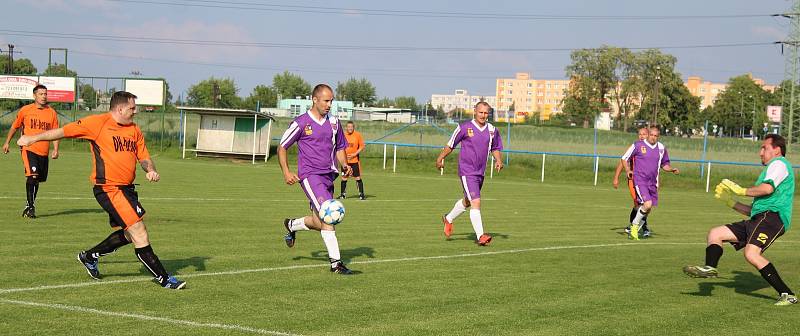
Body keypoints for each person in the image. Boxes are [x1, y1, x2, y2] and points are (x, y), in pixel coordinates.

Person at [17, 91, 186, 289]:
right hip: (109, 188)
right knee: (140, 232)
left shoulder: (134, 130)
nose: (136, 111)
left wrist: (151, 170)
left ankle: (89, 256)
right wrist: (31, 139)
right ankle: (164, 279)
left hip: (128, 190)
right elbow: (63, 131)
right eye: (132, 108)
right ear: (120, 108)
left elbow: (144, 157)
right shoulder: (97, 123)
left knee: (130, 234)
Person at [684, 134, 797, 306]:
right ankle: (710, 267)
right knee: (716, 233)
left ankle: (787, 294)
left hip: (773, 217)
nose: (760, 152)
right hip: (761, 217)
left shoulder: (779, 164)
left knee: (751, 254)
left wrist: (741, 190)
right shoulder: (773, 168)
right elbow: (753, 211)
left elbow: (766, 189)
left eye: (764, 148)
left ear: (777, 150)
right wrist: (730, 202)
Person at [278, 84, 354, 275]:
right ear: (315, 99)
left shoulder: (335, 123)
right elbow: (282, 147)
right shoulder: (301, 122)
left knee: (318, 221)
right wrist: (286, 172)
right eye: (326, 100)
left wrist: (345, 165)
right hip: (310, 176)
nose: (329, 105)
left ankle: (292, 224)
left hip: (329, 175)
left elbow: (340, 147)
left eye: (331, 101)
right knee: (328, 216)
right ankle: (336, 264)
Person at [437, 101, 503, 246]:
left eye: (486, 113)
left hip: (480, 172)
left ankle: (448, 218)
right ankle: (481, 236)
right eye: (481, 112)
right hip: (467, 171)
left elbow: (495, 148)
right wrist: (440, 157)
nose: (483, 115)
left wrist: (498, 160)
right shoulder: (464, 127)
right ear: (475, 111)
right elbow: (450, 145)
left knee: (468, 200)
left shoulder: (492, 130)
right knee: (476, 202)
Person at [3, 84, 60, 218]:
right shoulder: (26, 110)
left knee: (36, 179)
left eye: (45, 94)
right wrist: (7, 142)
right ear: (34, 95)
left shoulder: (51, 112)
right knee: (33, 175)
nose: (44, 96)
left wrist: (56, 149)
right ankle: (30, 207)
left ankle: (29, 205)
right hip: (28, 148)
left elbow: (56, 133)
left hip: (44, 151)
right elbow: (14, 127)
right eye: (41, 94)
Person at [621, 126, 679, 240]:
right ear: (648, 135)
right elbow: (624, 158)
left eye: (656, 136)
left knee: (648, 208)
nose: (653, 137)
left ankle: (635, 228)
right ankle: (634, 227)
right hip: (640, 180)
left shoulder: (661, 148)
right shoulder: (638, 145)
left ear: (658, 136)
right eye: (651, 135)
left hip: (653, 183)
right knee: (647, 204)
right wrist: (628, 170)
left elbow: (664, 165)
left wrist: (671, 169)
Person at [613, 127, 650, 236]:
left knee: (644, 205)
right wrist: (616, 177)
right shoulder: (635, 147)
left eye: (644, 134)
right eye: (639, 134)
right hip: (633, 180)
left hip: (647, 181)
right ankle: (637, 227)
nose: (641, 136)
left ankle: (638, 226)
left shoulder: (652, 149)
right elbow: (622, 161)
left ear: (648, 135)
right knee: (640, 203)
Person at [337, 121, 366, 200]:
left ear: (353, 127)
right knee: (344, 178)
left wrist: (354, 154)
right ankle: (343, 194)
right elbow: (339, 147)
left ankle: (361, 194)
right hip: (345, 162)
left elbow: (362, 146)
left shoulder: (357, 135)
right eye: (348, 127)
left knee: (357, 178)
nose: (350, 128)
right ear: (346, 127)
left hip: (354, 161)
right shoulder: (342, 135)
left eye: (351, 127)